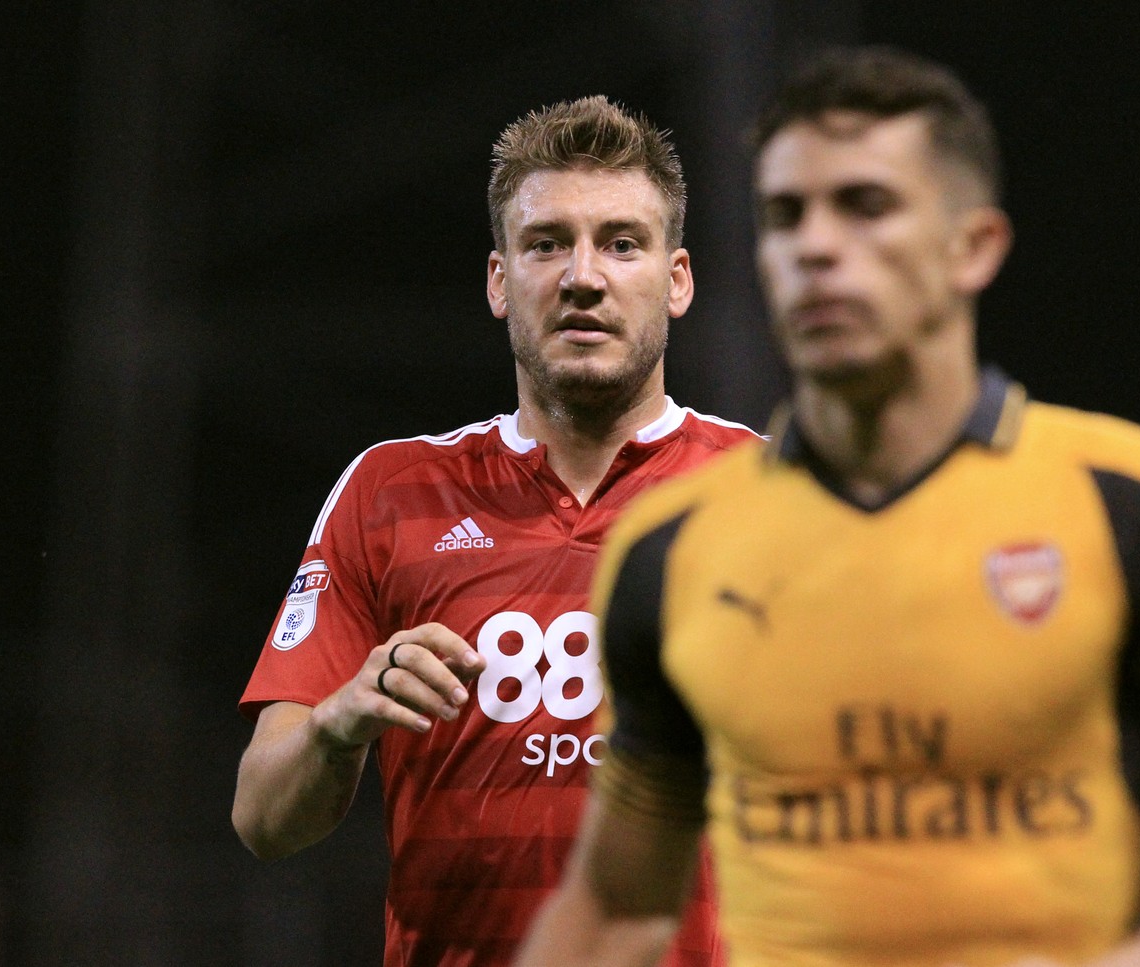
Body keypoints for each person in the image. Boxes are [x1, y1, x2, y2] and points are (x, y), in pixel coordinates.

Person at [515, 47, 1140, 967]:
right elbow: (615, 906)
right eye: (785, 215)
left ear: (974, 247)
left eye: (866, 206)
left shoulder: (1126, 499)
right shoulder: (673, 549)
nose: (815, 245)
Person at [232, 95, 757, 966]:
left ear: (677, 279)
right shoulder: (389, 491)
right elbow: (262, 820)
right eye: (547, 243)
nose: (582, 275)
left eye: (621, 243)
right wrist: (338, 724)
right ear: (498, 279)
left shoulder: (774, 495)